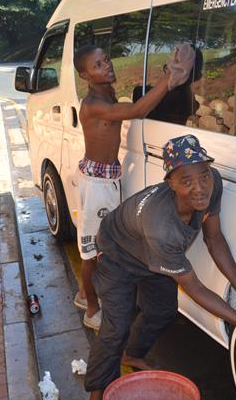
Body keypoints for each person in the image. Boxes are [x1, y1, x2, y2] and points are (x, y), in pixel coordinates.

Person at [83, 134, 236, 400]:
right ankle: (95, 395)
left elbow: (213, 238)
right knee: (115, 328)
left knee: (163, 310)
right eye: (187, 181)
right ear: (171, 183)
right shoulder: (162, 227)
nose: (199, 188)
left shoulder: (212, 185)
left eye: (203, 176)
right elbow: (196, 289)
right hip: (118, 253)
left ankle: (132, 354)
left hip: (152, 254)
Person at [73, 43, 195, 330]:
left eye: (106, 59)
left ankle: (83, 294)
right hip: (96, 185)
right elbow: (138, 109)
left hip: (107, 177)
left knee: (104, 241)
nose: (107, 65)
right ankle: (91, 309)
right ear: (85, 76)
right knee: (92, 250)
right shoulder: (93, 103)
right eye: (98, 65)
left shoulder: (107, 93)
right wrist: (171, 77)